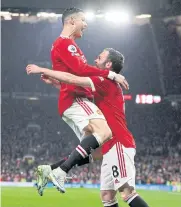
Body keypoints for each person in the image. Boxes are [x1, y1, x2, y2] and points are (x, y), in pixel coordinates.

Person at [26, 48, 149, 207]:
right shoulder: (104, 85)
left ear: (108, 64)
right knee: (107, 195)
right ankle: (53, 169)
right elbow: (79, 91)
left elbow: (72, 79)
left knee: (127, 192)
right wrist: (57, 84)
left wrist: (41, 69)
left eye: (100, 57)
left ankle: (56, 170)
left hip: (118, 142)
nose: (95, 60)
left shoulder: (104, 81)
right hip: (108, 145)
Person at [33, 7, 129, 194]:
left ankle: (49, 170)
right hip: (77, 100)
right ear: (71, 21)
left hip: (71, 100)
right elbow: (81, 71)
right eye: (83, 20)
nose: (85, 24)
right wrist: (110, 74)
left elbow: (68, 77)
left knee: (93, 153)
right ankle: (61, 172)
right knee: (104, 131)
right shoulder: (65, 44)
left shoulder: (63, 45)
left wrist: (54, 81)